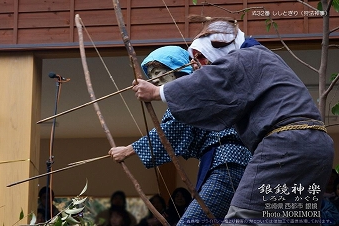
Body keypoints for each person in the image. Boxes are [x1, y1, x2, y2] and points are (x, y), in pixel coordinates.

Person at [132, 16, 334, 225]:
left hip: (282, 146)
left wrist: (158, 92)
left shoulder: (245, 58)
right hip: (316, 147)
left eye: (201, 58)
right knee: (292, 218)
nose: (200, 66)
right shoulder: (262, 59)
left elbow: (208, 83)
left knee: (242, 220)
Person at [109, 45, 252, 225]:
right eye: (151, 75)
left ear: (178, 69)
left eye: (158, 72)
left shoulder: (191, 90)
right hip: (230, 162)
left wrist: (127, 151)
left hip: (227, 163)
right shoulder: (195, 90)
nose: (154, 79)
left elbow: (169, 132)